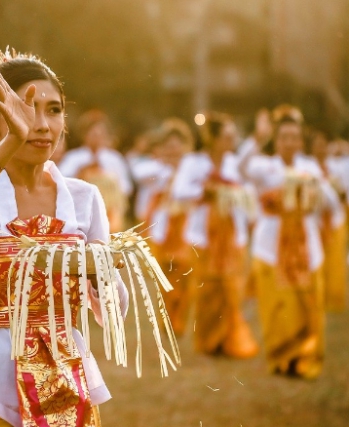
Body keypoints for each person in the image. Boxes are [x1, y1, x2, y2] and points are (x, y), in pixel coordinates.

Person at [0, 49, 128, 427]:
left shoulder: (84, 197)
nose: (42, 123)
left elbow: (113, 313)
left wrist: (102, 268)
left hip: (66, 378)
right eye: (27, 108)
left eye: (53, 110)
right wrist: (5, 147)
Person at [242, 105, 334, 379]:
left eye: (295, 137)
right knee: (276, 305)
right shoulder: (264, 165)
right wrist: (257, 138)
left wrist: (314, 190)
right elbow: (241, 167)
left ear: (301, 141)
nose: (290, 143)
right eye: (284, 137)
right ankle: (281, 358)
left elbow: (330, 200)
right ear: (276, 140)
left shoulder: (309, 168)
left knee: (307, 303)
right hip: (271, 244)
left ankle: (305, 358)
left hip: (306, 244)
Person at [172, 112, 258, 358]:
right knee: (208, 287)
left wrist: (232, 192)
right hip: (202, 234)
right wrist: (206, 190)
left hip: (233, 234)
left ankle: (231, 340)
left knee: (232, 287)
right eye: (228, 136)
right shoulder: (193, 162)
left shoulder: (235, 163)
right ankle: (209, 341)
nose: (232, 140)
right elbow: (180, 191)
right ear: (214, 139)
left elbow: (247, 189)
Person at [136, 119, 194, 337]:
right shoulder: (155, 170)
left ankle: (179, 319)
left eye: (178, 144)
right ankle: (168, 321)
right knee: (166, 277)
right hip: (163, 231)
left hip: (186, 230)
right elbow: (139, 173)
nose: (174, 149)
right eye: (169, 145)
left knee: (185, 277)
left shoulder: (191, 169)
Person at [58, 109, 133, 232]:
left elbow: (126, 188)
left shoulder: (115, 158)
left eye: (101, 133)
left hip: (110, 212)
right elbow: (62, 182)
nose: (97, 137)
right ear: (84, 135)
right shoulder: (73, 158)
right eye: (92, 133)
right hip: (80, 211)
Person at [307, 128, 347, 312]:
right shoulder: (306, 167)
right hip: (315, 222)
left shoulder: (336, 166)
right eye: (318, 145)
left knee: (335, 260)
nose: (321, 149)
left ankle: (334, 298)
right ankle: (317, 297)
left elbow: (343, 192)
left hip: (335, 219)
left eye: (324, 145)